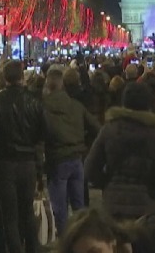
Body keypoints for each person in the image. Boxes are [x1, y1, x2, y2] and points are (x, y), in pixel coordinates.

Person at [85, 82, 155, 219]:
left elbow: (90, 168)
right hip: (147, 206)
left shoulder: (109, 129)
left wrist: (107, 184)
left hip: (114, 204)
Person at [0, 60, 46, 253]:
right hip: (27, 162)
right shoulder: (35, 100)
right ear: (22, 77)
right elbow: (44, 133)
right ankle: (33, 248)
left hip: (3, 164)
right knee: (27, 211)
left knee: (8, 216)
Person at [42, 69, 101, 233]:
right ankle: (83, 237)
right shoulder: (76, 105)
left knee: (59, 206)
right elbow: (97, 128)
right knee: (79, 204)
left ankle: (65, 240)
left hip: (57, 158)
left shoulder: (43, 107)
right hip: (76, 157)